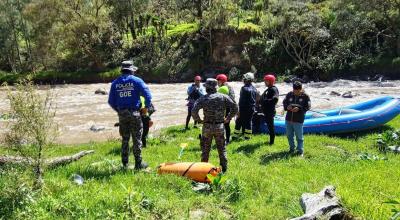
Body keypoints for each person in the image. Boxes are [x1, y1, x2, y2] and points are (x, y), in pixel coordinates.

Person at [108, 60, 152, 169]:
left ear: (122, 70)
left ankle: (125, 163)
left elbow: (111, 101)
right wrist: (146, 108)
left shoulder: (115, 83)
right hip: (135, 113)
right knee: (137, 138)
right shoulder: (137, 81)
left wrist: (119, 111)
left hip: (122, 114)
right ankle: (138, 163)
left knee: (125, 138)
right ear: (132, 70)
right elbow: (148, 96)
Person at [191, 78, 238, 173]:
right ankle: (224, 169)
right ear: (216, 88)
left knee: (205, 149)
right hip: (219, 126)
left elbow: (194, 111)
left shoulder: (203, 98)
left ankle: (203, 170)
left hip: (207, 127)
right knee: (222, 149)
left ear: (207, 88)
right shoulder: (223, 97)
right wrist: (228, 118)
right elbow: (235, 107)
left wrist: (199, 120)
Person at [282, 81, 311, 157]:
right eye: (295, 91)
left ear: (301, 89)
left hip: (298, 120)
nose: (296, 92)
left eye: (298, 91)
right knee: (289, 135)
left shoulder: (305, 96)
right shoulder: (289, 94)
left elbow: (308, 107)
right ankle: (292, 149)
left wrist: (299, 109)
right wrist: (286, 107)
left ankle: (300, 151)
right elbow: (284, 102)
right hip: (288, 119)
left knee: (299, 136)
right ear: (293, 89)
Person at [232, 72, 259, 140]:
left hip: (244, 108)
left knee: (239, 121)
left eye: (244, 78)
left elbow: (242, 101)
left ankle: (235, 136)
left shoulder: (244, 88)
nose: (243, 80)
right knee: (248, 122)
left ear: (246, 79)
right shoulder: (254, 89)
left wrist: (238, 111)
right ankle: (247, 137)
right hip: (252, 108)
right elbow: (256, 99)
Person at [260, 74, 279, 145]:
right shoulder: (268, 89)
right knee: (269, 126)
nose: (265, 82)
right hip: (266, 111)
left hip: (270, 111)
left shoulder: (273, 89)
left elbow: (275, 99)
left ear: (271, 81)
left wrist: (265, 101)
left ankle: (271, 142)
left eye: (266, 81)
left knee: (271, 126)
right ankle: (271, 141)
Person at [216, 74, 235, 144]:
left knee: (226, 124)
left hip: (228, 108)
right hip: (222, 108)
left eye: (219, 81)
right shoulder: (221, 87)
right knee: (222, 124)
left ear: (223, 81)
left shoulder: (228, 87)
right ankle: (223, 138)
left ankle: (227, 140)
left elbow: (232, 99)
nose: (217, 82)